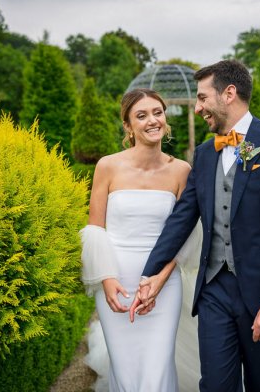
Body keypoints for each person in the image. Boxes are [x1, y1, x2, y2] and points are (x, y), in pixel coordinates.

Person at [131, 60, 260, 392]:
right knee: (214, 385)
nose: (197, 108)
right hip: (213, 291)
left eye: (202, 98)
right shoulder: (205, 153)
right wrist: (148, 274)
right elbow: (182, 218)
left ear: (229, 94)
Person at [80, 88, 201, 391]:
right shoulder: (107, 166)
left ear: (166, 119)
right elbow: (95, 229)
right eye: (141, 115)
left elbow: (184, 232)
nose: (152, 120)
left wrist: (159, 280)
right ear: (128, 126)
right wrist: (106, 279)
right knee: (126, 369)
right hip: (117, 281)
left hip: (163, 282)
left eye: (157, 112)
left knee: (157, 368)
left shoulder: (181, 171)